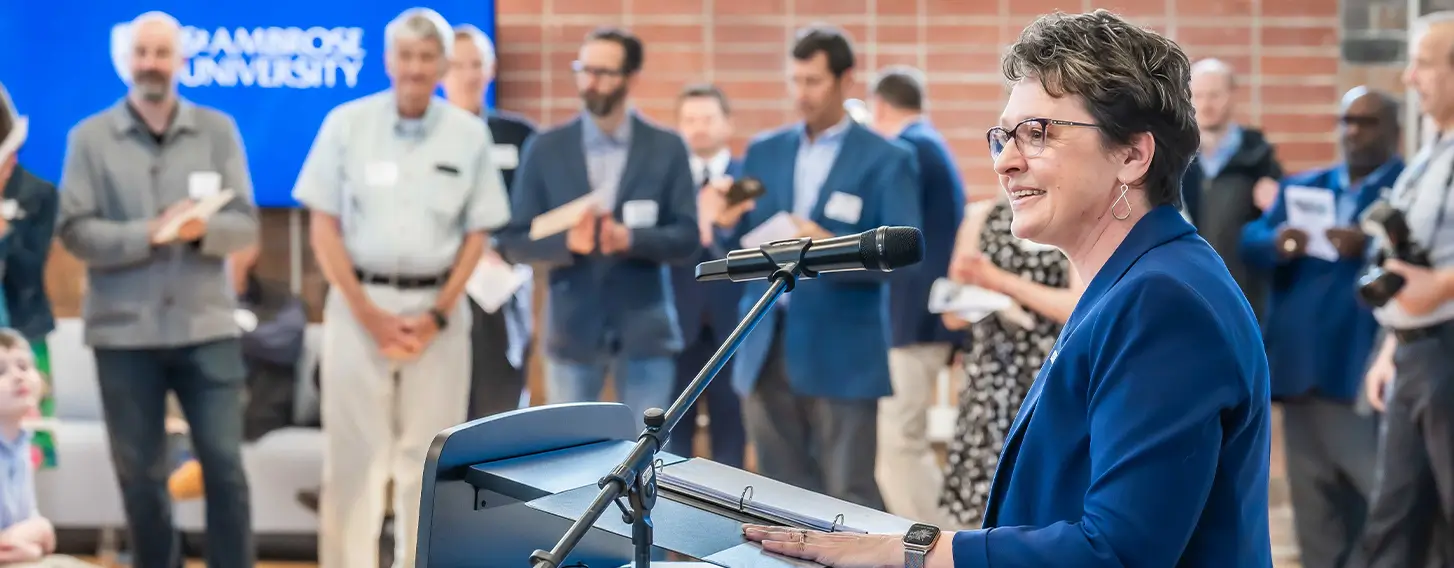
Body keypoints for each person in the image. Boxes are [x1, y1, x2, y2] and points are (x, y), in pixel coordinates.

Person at [743, 10, 1272, 567]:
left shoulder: (1162, 300)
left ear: (1133, 156)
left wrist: (913, 552)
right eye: (1003, 136)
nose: (1005, 161)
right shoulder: (1142, 280)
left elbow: (1118, 552)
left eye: (1038, 134)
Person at [292, 8, 510, 568]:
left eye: (426, 57)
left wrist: (435, 314)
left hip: (440, 316)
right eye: (405, 56)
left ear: (442, 64)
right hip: (357, 310)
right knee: (352, 462)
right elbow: (322, 225)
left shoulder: (468, 134)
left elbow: (478, 231)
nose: (414, 68)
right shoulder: (346, 123)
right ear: (389, 60)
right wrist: (369, 314)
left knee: (428, 459)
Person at [55, 11, 259, 568]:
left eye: (162, 54)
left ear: (181, 62)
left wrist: (201, 232)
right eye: (142, 53)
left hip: (207, 327)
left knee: (225, 468)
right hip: (124, 335)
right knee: (141, 478)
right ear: (126, 61)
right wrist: (150, 233)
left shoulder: (218, 131)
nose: (151, 64)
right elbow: (74, 231)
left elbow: (244, 223)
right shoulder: (89, 139)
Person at [704, 24, 921, 511]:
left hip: (841, 350)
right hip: (764, 342)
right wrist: (721, 225)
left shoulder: (889, 158)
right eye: (795, 81)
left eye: (814, 82)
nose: (801, 94)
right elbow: (743, 236)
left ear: (847, 81)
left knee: (849, 493)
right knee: (780, 499)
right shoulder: (764, 150)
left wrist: (828, 245)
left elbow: (905, 260)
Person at [495, 27, 699, 419]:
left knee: (645, 456)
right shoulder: (545, 147)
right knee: (570, 459)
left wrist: (632, 238)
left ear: (631, 78)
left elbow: (687, 237)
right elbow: (513, 242)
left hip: (646, 331)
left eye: (604, 73)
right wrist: (568, 243)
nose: (591, 82)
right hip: (572, 331)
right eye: (584, 70)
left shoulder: (667, 147)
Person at [1241, 87, 1403, 568]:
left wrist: (1371, 245)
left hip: (1362, 372)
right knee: (1315, 511)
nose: (1353, 131)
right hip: (1301, 371)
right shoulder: (1306, 186)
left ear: (1394, 128)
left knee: (1383, 507)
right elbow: (1250, 241)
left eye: (1367, 121)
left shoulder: (1403, 189)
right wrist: (1279, 241)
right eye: (1346, 121)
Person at [1359, 12, 1454, 567]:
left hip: (1449, 347)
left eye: (1422, 63)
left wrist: (1440, 287)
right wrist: (1393, 344)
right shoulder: (1430, 151)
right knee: (1393, 520)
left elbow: (1433, 276)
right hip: (1417, 354)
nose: (1410, 78)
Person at [938, 193, 1080, 529]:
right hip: (989, 381)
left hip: (1047, 376)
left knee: (1042, 502)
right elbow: (950, 313)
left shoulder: (1071, 218)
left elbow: (1078, 305)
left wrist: (1000, 282)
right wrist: (985, 298)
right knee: (981, 506)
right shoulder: (981, 217)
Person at [866, 65, 965, 525]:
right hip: (923, 317)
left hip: (911, 319)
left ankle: (932, 543)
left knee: (901, 446)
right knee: (904, 442)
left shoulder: (910, 149)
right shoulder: (930, 145)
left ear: (879, 106)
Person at [442, 24, 536, 418]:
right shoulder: (426, 135)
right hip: (442, 288)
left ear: (491, 69)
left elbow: (538, 210)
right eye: (457, 64)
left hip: (502, 288)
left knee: (500, 405)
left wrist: (506, 248)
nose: (467, 74)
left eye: (476, 64)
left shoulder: (520, 135)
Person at [665, 83, 746, 468]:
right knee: (671, 429)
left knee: (732, 426)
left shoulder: (749, 181)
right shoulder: (670, 182)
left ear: (727, 124)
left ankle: (731, 514)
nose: (698, 128)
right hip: (679, 319)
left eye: (708, 119)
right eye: (689, 120)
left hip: (736, 320)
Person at [1181, 58, 1283, 318]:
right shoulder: (1175, 159)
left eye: (1215, 95)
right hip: (1187, 288)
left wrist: (1276, 201)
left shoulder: (1260, 159)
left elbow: (1275, 229)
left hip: (1245, 294)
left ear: (1232, 95)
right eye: (1198, 95)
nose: (1206, 104)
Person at [0, 330, 98, 568]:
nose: (18, 377)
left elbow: (35, 531)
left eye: (24, 366)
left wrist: (35, 535)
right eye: (1, 371)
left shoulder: (21, 444)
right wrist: (34, 538)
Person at [0, 82, 58, 469]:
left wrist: (5, 231)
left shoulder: (39, 193)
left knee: (26, 454)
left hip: (22, 329)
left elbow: (31, 269)